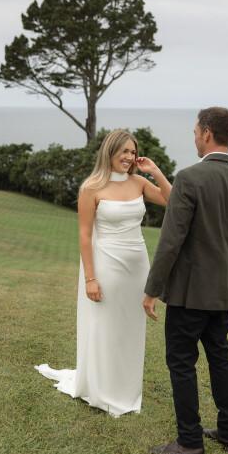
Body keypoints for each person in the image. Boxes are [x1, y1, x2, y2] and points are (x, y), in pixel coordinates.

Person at [143, 107, 228, 454]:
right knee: (220, 358)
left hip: (189, 295)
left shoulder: (189, 178)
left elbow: (170, 240)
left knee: (181, 361)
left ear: (206, 133)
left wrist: (152, 290)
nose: (194, 137)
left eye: (195, 131)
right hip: (223, 293)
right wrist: (226, 275)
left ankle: (190, 441)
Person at [35, 130, 171, 417]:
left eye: (133, 152)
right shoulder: (91, 187)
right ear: (109, 152)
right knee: (106, 327)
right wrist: (90, 279)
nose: (129, 157)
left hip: (137, 267)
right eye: (124, 151)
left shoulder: (139, 182)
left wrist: (155, 171)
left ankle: (126, 390)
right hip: (106, 264)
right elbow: (85, 236)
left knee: (130, 328)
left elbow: (172, 201)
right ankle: (103, 390)